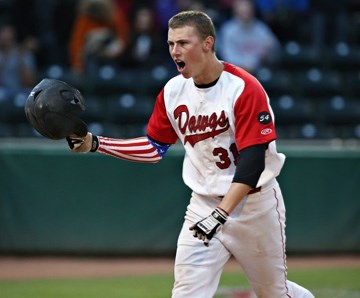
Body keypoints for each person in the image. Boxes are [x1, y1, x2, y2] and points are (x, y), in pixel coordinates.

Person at [67, 10, 314, 298]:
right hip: (202, 204)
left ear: (208, 43)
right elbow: (153, 147)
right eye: (171, 44)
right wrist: (96, 143)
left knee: (273, 293)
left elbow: (252, 162)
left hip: (254, 206)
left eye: (183, 43)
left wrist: (221, 214)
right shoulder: (173, 91)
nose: (175, 51)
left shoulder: (243, 88)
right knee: (186, 294)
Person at [217, 0, 281, 74]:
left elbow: (275, 49)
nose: (245, 13)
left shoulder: (261, 28)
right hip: (236, 72)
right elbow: (227, 56)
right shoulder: (228, 30)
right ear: (235, 11)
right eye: (243, 11)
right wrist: (245, 65)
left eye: (248, 10)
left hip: (259, 70)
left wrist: (270, 49)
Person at [68, 0, 129, 76]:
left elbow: (122, 38)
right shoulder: (84, 18)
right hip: (91, 58)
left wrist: (114, 50)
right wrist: (77, 64)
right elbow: (77, 43)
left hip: (111, 58)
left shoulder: (114, 15)